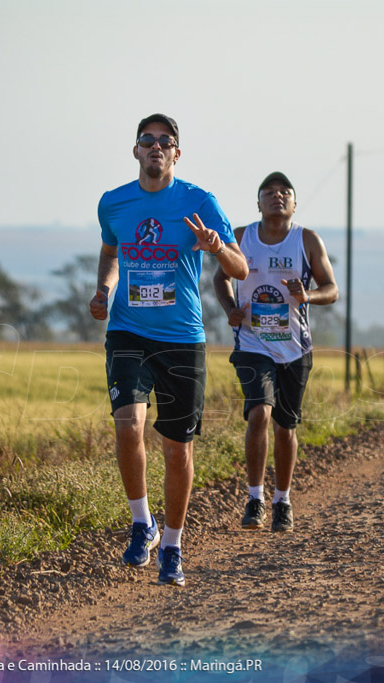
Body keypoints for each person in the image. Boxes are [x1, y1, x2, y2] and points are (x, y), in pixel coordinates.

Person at [89, 114, 248, 586]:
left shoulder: (199, 202)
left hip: (181, 339)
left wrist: (217, 247)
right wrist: (103, 290)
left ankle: (173, 547)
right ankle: (143, 523)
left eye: (166, 141)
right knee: (127, 425)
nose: (156, 147)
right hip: (128, 332)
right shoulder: (114, 203)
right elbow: (110, 251)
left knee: (177, 452)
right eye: (147, 140)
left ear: (177, 153)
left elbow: (239, 269)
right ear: (135, 151)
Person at [213, 171, 338, 533]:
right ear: (258, 203)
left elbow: (331, 289)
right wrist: (229, 309)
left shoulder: (307, 240)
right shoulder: (241, 237)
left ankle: (282, 500)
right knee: (259, 415)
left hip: (295, 348)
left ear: (295, 203)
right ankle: (255, 498)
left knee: (285, 427)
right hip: (252, 344)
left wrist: (307, 296)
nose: (277, 196)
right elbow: (221, 277)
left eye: (285, 192)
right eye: (269, 192)